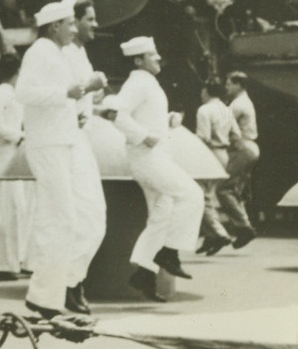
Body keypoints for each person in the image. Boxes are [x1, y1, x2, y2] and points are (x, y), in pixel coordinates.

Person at [15, 0, 107, 318]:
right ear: (55, 26)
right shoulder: (40, 51)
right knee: (60, 219)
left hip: (63, 140)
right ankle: (44, 296)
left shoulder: (54, 52)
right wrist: (72, 92)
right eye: (70, 23)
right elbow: (24, 93)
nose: (74, 28)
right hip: (48, 144)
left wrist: (79, 106)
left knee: (69, 219)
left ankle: (52, 294)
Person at [109, 37, 204, 300]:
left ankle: (144, 272)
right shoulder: (138, 82)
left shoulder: (146, 82)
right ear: (138, 60)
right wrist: (142, 135)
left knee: (161, 215)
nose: (159, 58)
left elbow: (144, 115)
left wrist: (167, 119)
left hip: (152, 157)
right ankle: (169, 252)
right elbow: (117, 114)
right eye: (153, 55)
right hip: (149, 159)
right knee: (192, 194)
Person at [0, 53, 32, 278]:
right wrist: (20, 135)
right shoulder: (3, 93)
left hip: (10, 156)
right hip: (2, 156)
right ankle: (0, 263)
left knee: (13, 209)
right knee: (8, 210)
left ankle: (5, 261)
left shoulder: (11, 94)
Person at [195, 77, 237, 255]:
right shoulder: (226, 109)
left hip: (209, 153)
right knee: (208, 196)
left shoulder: (204, 110)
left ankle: (219, 233)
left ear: (206, 90)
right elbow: (237, 133)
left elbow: (203, 136)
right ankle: (210, 235)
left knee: (200, 195)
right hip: (224, 153)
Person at [221, 70, 259, 248]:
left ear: (238, 85)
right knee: (236, 190)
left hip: (243, 147)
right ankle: (244, 226)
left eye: (229, 84)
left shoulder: (238, 105)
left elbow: (223, 126)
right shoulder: (244, 101)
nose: (226, 87)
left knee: (223, 188)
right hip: (250, 147)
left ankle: (244, 227)